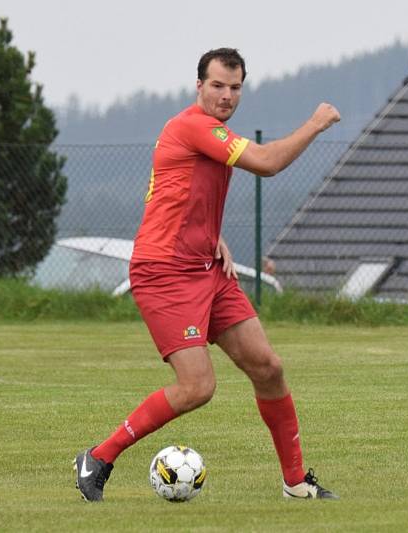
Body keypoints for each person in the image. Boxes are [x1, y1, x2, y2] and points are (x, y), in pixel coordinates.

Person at [74, 48, 341, 502]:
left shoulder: (209, 133)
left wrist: (213, 237)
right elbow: (268, 164)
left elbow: (178, 195)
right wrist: (315, 123)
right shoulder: (193, 126)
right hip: (165, 274)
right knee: (198, 387)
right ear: (198, 86)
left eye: (235, 87)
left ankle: (295, 482)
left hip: (206, 269)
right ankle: (98, 457)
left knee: (268, 368)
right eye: (217, 85)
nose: (226, 95)